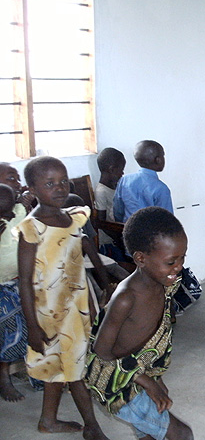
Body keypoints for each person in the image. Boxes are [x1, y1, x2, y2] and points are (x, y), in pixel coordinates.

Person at [16, 156, 110, 439]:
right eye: (49, 184)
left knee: (60, 367)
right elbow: (23, 282)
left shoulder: (72, 218)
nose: (59, 188)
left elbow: (82, 258)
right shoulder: (31, 229)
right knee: (75, 371)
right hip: (49, 316)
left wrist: (99, 292)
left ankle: (48, 420)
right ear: (32, 189)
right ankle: (92, 427)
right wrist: (32, 326)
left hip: (77, 309)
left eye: (63, 182)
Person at [86, 207, 193, 440]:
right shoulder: (126, 298)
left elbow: (153, 334)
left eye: (182, 258)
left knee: (148, 434)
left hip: (138, 373)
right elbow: (102, 351)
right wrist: (147, 382)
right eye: (171, 261)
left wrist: (156, 377)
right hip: (117, 382)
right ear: (140, 258)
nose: (179, 267)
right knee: (182, 435)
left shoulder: (163, 283)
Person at [0, 183, 28, 402]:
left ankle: (34, 371)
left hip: (21, 281)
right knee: (11, 328)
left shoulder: (18, 213)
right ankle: (4, 375)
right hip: (2, 286)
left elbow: (24, 203)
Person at [113, 140, 173, 223]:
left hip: (127, 231)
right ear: (158, 160)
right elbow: (167, 221)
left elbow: (118, 211)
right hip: (151, 235)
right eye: (163, 155)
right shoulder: (161, 189)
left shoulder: (125, 180)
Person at [94, 147, 129, 261]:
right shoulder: (101, 191)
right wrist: (118, 239)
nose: (122, 173)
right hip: (109, 242)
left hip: (118, 234)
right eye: (121, 170)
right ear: (112, 169)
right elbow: (101, 222)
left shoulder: (116, 188)